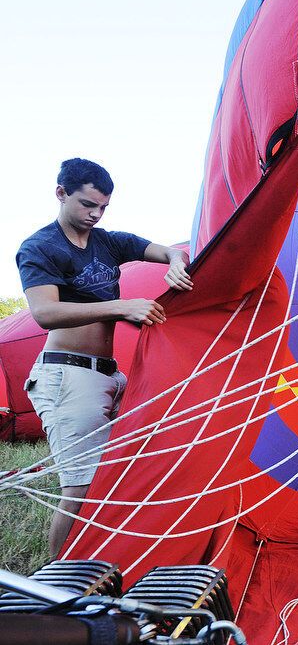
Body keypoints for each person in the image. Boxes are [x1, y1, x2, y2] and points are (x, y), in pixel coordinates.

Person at [17, 158, 193, 558]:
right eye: (87, 205)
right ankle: (56, 585)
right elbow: (45, 313)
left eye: (103, 208)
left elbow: (168, 251)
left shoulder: (108, 241)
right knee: (79, 487)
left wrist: (176, 265)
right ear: (61, 193)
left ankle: (112, 560)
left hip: (110, 375)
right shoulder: (40, 246)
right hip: (66, 375)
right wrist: (120, 306)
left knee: (131, 467)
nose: (95, 215)